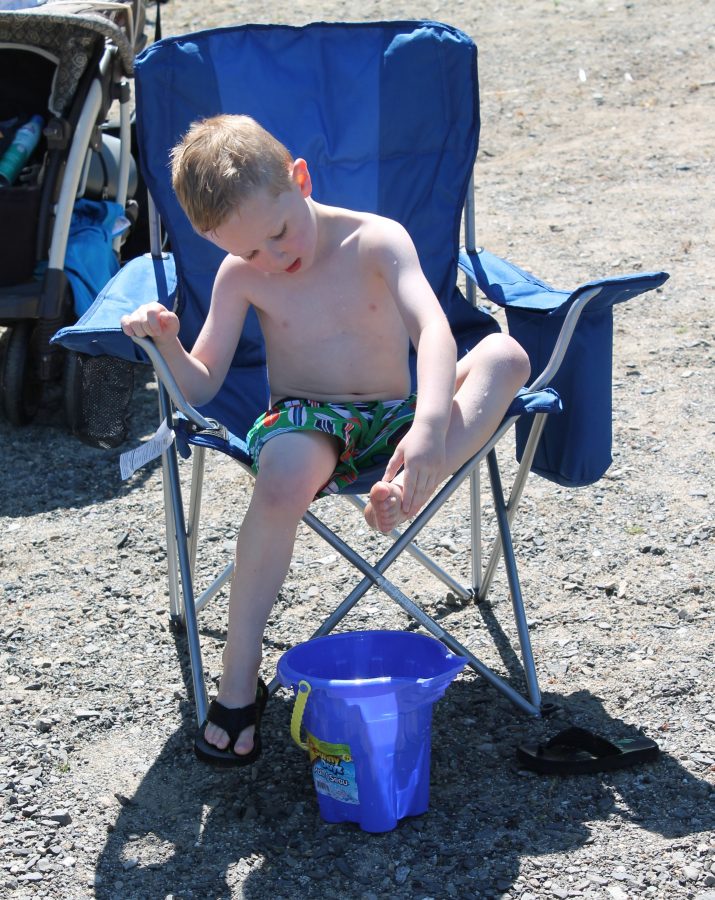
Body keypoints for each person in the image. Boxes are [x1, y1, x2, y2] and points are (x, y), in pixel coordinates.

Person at [120, 114, 531, 767]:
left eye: (279, 234)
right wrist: (163, 340)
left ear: (300, 180)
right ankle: (238, 672)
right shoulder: (240, 276)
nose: (273, 259)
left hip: (400, 414)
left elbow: (432, 332)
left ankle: (406, 481)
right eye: (248, 251)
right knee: (282, 477)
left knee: (506, 355)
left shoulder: (375, 240)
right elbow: (197, 387)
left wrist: (427, 425)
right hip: (308, 419)